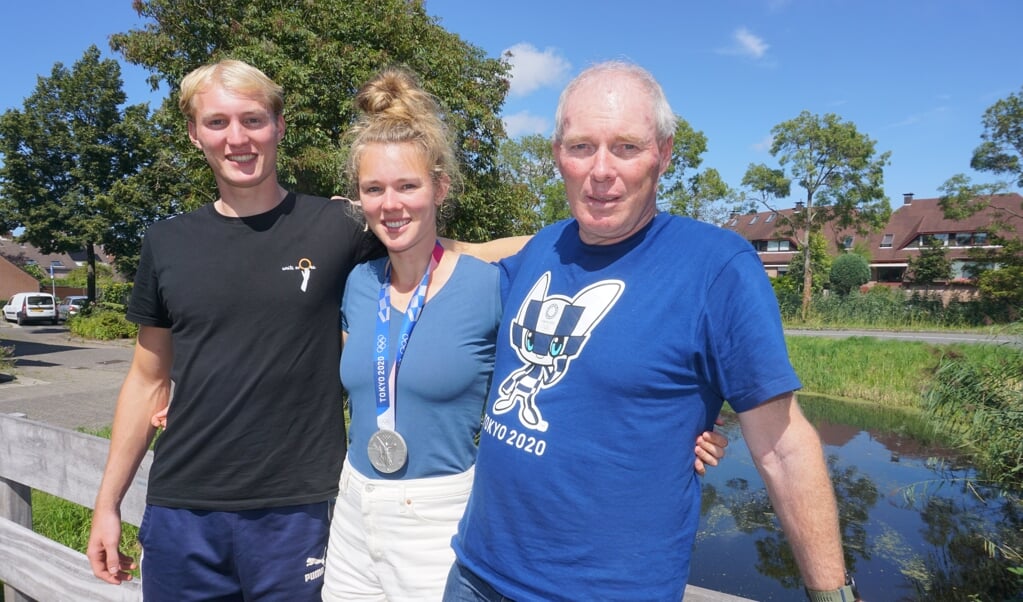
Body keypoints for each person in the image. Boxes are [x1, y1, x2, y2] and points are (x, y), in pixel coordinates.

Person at [444, 61, 860, 602]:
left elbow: (784, 448)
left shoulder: (716, 267)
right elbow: (448, 268)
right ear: (557, 155)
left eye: (626, 147)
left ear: (663, 154)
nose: (600, 170)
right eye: (581, 147)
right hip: (476, 576)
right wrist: (364, 221)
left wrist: (832, 595)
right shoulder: (540, 248)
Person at [320, 68, 728, 601]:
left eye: (408, 186)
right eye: (373, 189)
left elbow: (595, 335)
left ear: (440, 188)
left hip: (438, 517)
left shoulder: (492, 282)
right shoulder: (358, 283)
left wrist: (683, 421)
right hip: (354, 506)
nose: (390, 203)